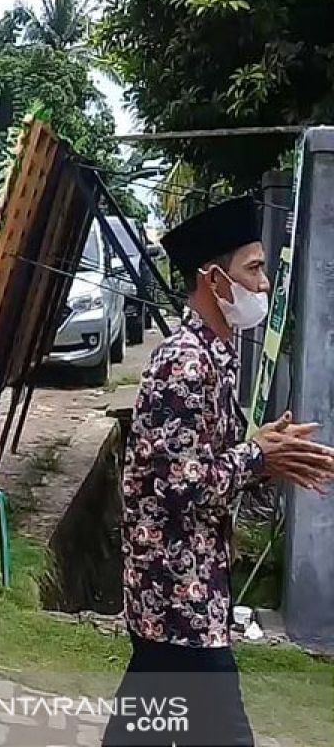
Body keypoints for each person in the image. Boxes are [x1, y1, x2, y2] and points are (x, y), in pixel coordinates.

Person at [101, 196, 334, 747]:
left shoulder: (215, 357)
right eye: (253, 269)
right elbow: (182, 484)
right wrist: (257, 454)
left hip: (184, 593)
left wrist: (264, 456)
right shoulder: (184, 365)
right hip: (177, 597)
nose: (263, 284)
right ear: (214, 279)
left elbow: (205, 469)